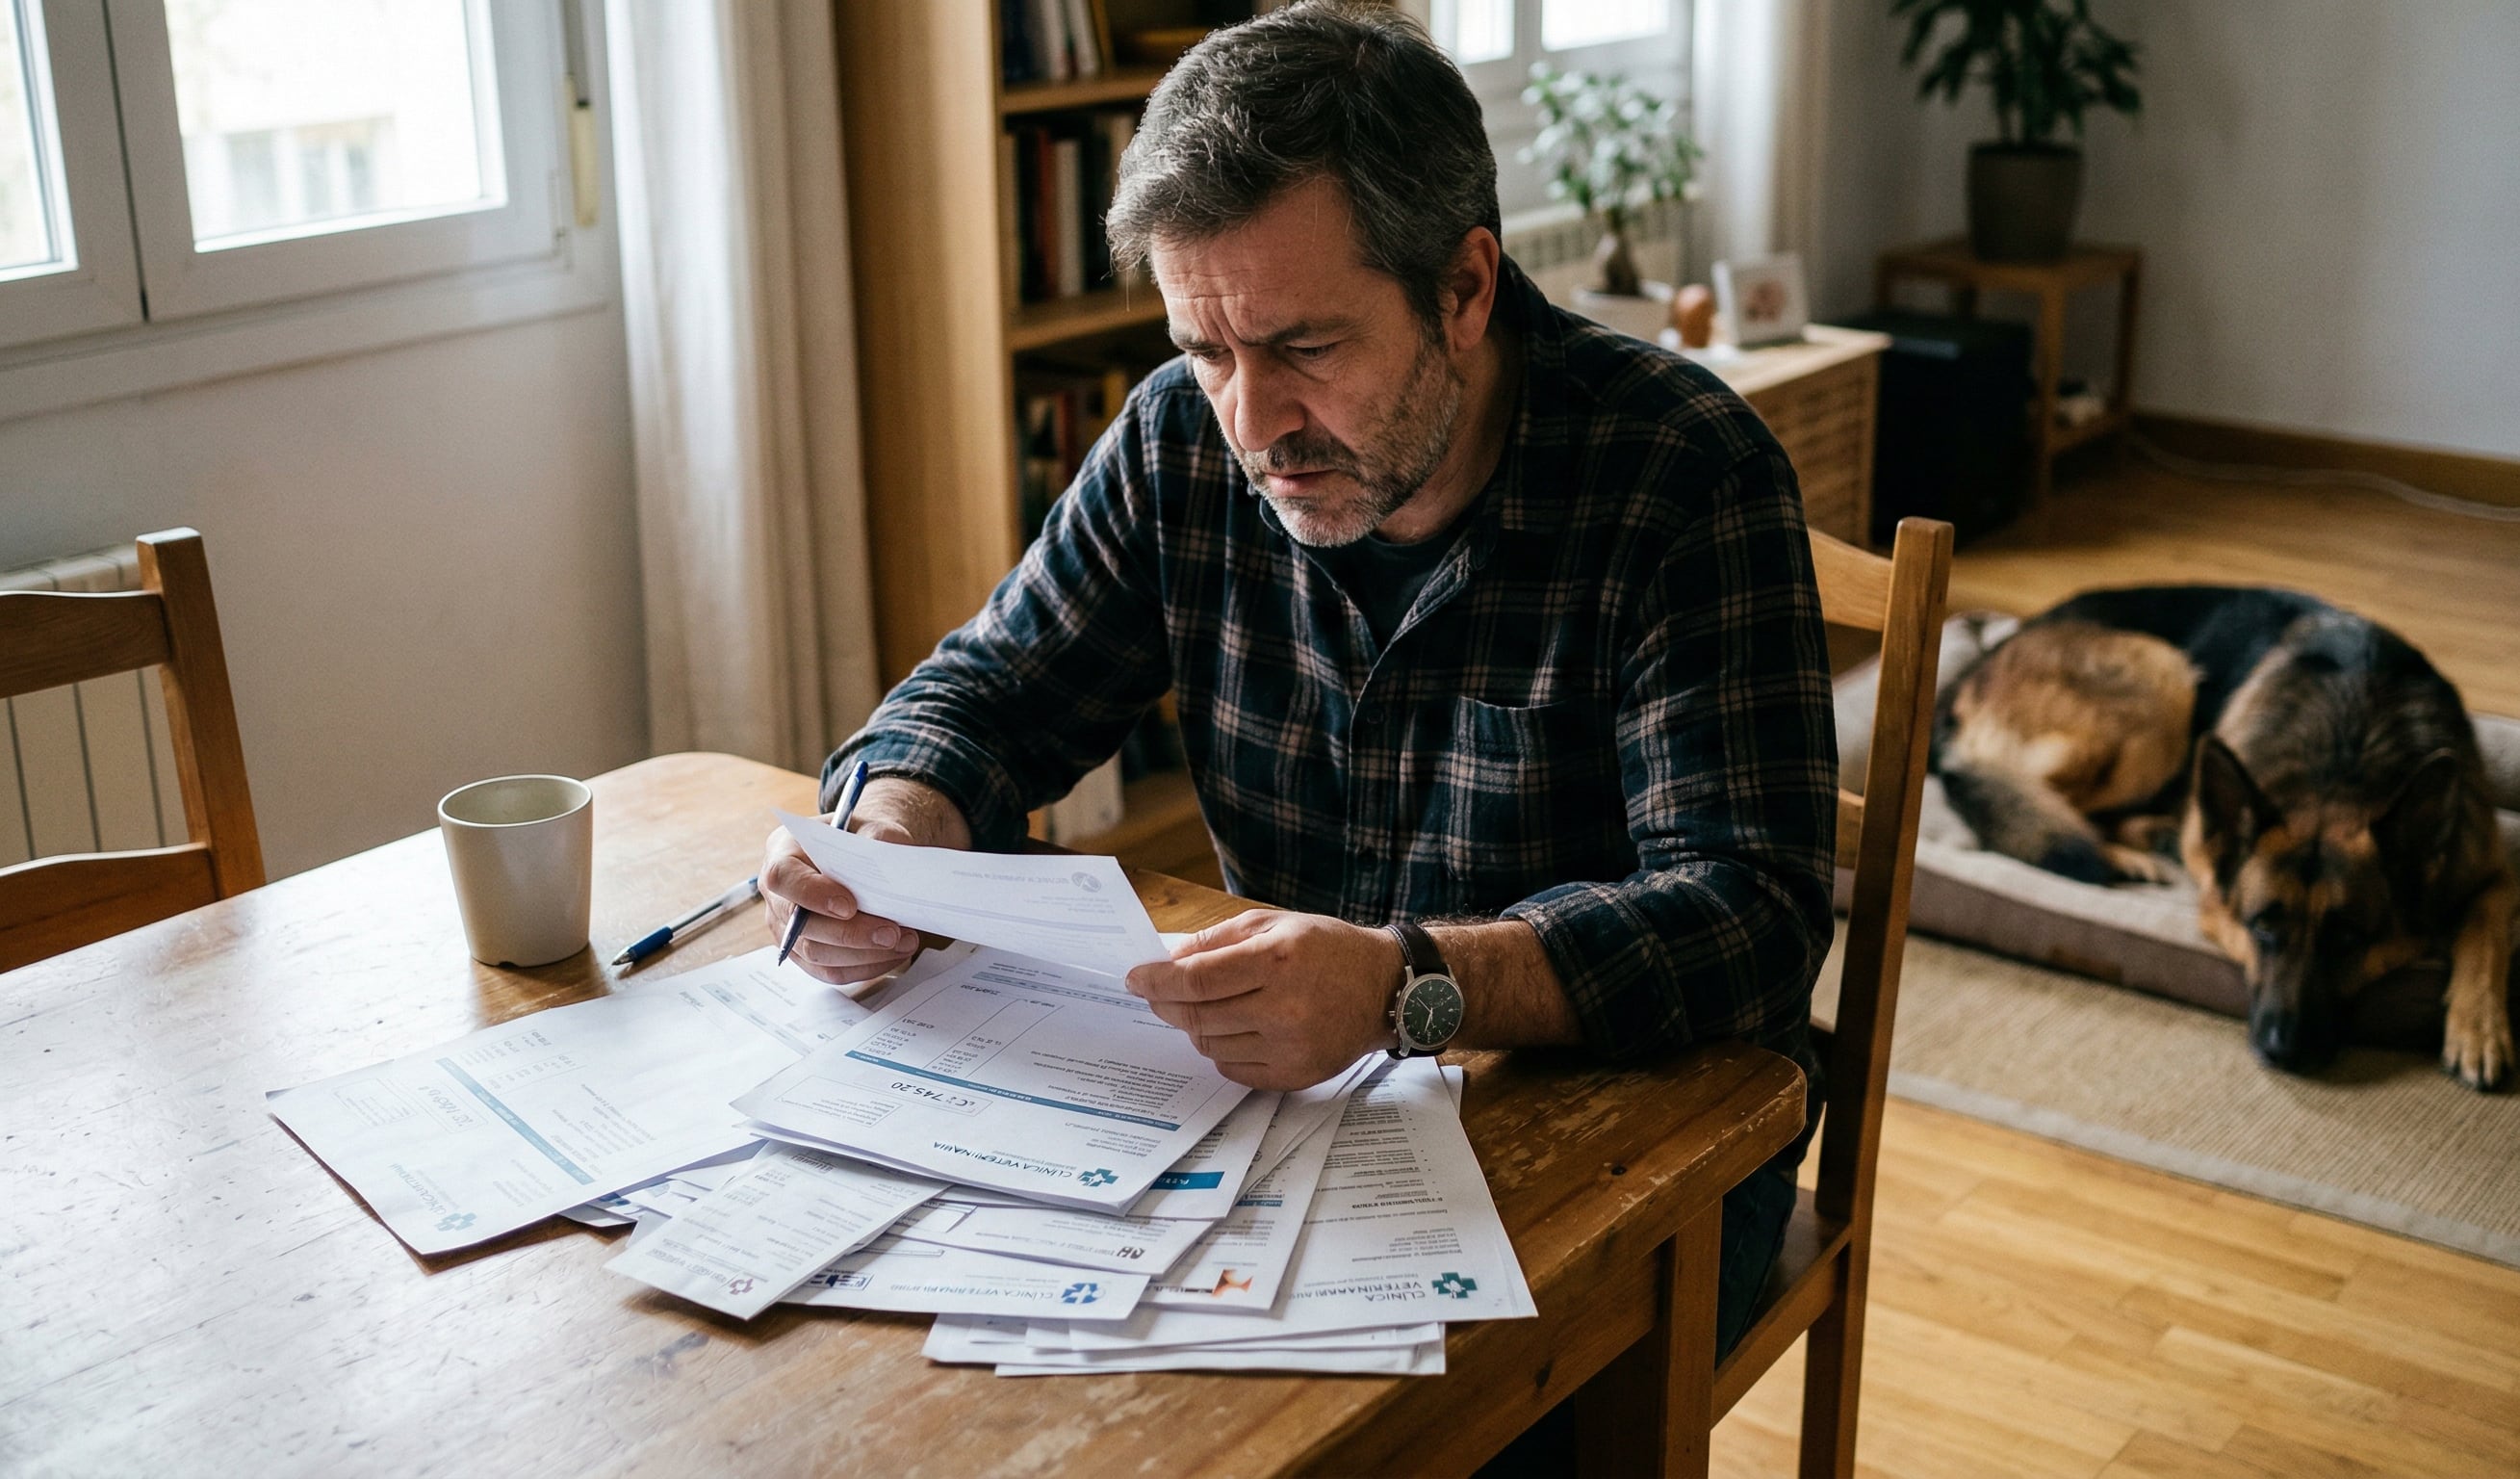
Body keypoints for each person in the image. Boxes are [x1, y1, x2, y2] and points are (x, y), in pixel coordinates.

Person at [759, 1, 1836, 1364]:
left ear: (1465, 287)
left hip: (1646, 1145)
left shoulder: (1680, 474)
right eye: (1207, 350)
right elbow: (988, 696)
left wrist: (1402, 984)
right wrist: (893, 833)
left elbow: (1749, 914)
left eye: (1307, 349)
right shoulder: (1179, 441)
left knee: (1431, 1445)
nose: (1253, 422)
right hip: (1288, 1123)